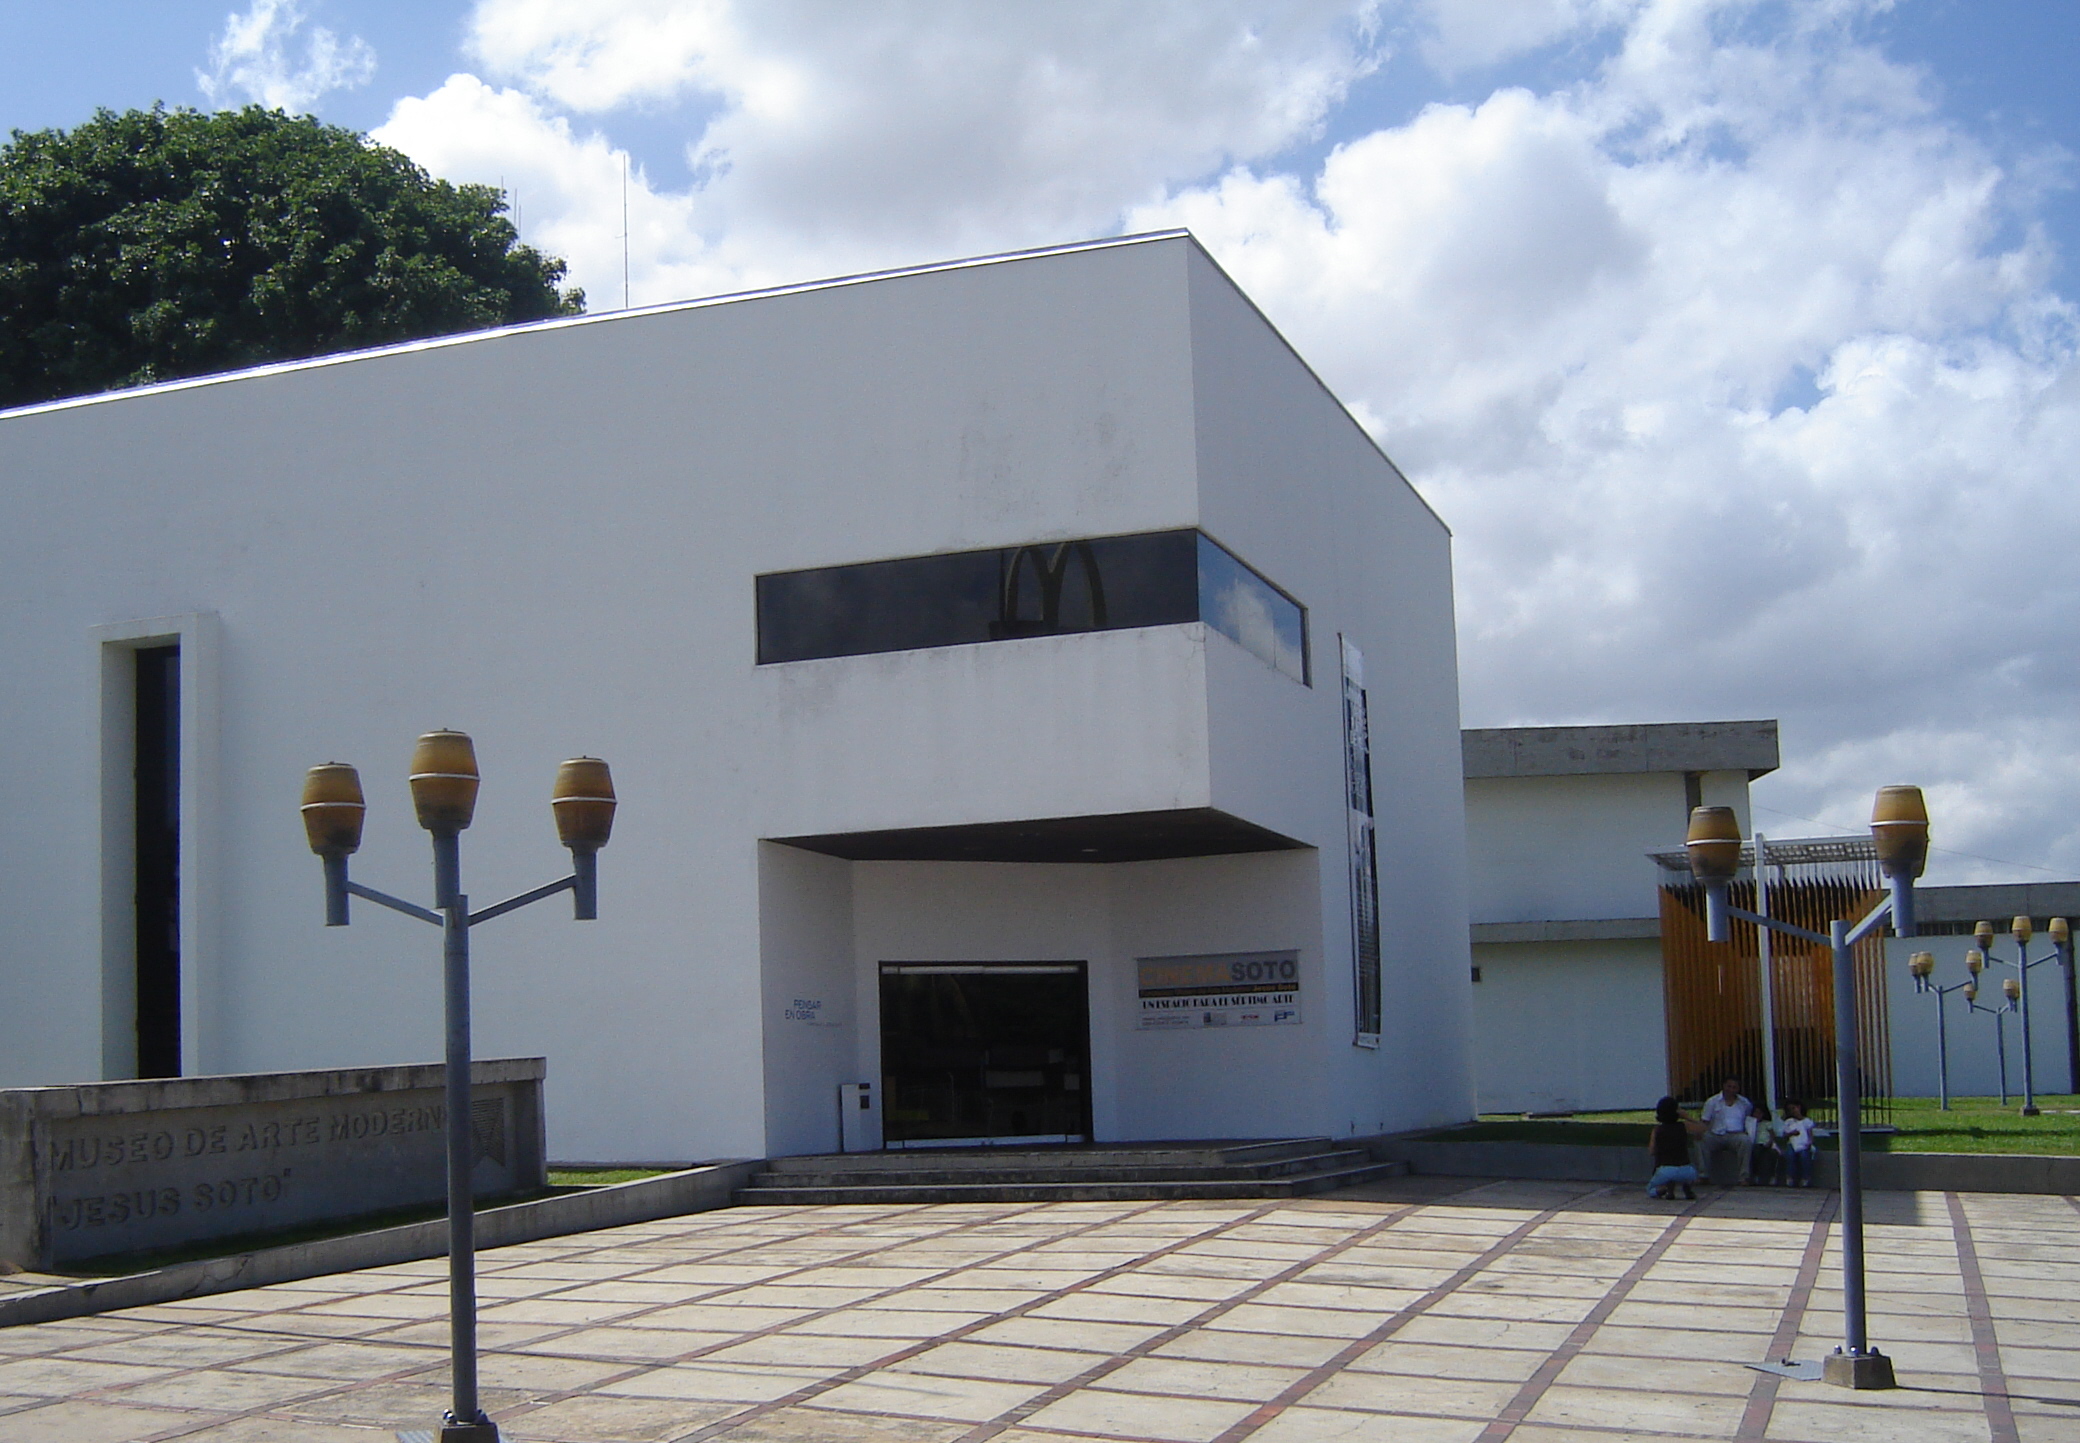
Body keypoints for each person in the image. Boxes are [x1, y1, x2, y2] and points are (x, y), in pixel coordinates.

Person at [1646, 1096, 1703, 1199]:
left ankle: (1666, 1190)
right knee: (1684, 1171)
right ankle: (1687, 1187)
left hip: (1666, 1170)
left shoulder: (1657, 1130)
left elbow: (1651, 1151)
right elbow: (1703, 1128)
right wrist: (1687, 1117)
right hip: (1686, 1170)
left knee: (1651, 1189)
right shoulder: (1683, 1126)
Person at [1699, 1078, 1755, 1184]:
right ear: (1723, 1086)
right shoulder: (1712, 1102)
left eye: (1734, 1087)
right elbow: (1705, 1121)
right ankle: (1703, 1175)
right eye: (1729, 1086)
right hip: (1715, 1135)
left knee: (1746, 1141)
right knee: (1702, 1140)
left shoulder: (1744, 1103)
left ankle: (1744, 1177)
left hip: (1736, 1135)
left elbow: (1749, 1120)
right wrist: (1699, 1132)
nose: (1731, 1090)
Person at [1779, 1100, 1817, 1188]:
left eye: (1794, 1108)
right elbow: (1784, 1135)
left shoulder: (1806, 1121)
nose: (1792, 1111)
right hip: (1792, 1143)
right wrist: (1792, 1133)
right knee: (1790, 1155)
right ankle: (1790, 1177)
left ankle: (1806, 1178)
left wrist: (1809, 1142)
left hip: (1803, 1144)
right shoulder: (1789, 1122)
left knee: (1804, 1156)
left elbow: (1810, 1134)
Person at [1747, 1103, 1781, 1185]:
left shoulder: (1766, 1123)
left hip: (1766, 1144)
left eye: (1760, 1113)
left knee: (1767, 1155)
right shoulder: (1751, 1124)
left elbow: (1772, 1134)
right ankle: (1755, 1175)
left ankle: (1769, 1177)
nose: (1757, 1115)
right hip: (1755, 1144)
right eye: (1756, 1113)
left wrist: (1769, 1142)